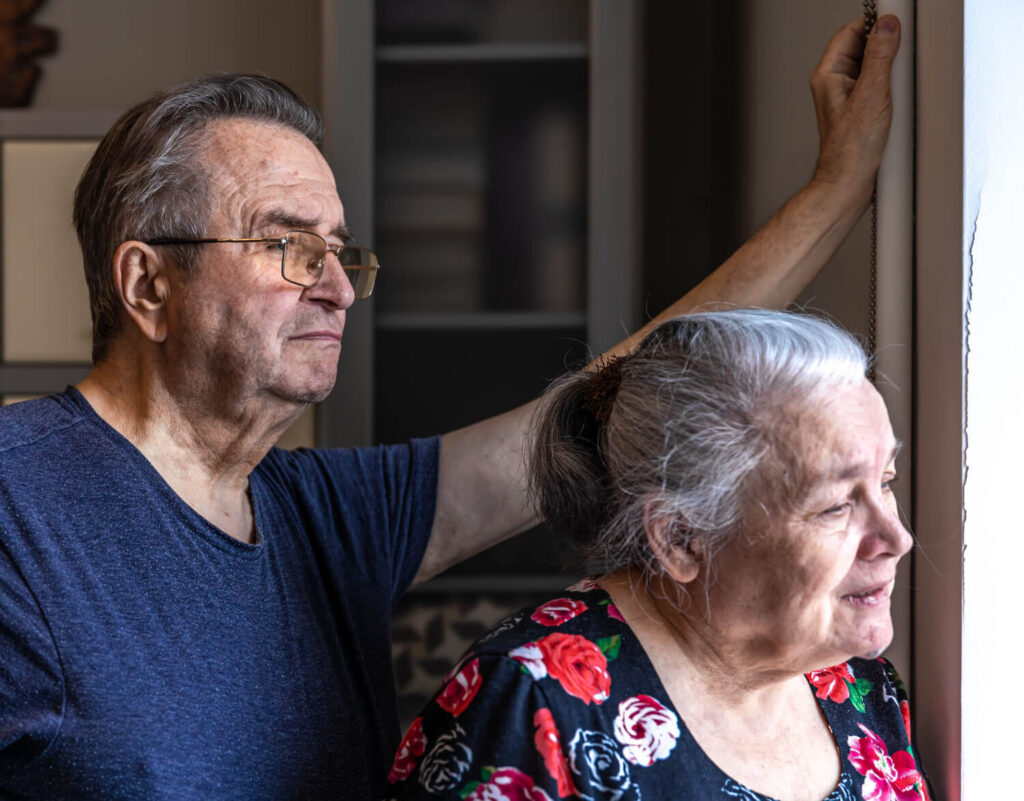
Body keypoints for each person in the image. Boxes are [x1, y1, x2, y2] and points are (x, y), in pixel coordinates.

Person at [0, 15, 901, 801]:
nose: (338, 290)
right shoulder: (17, 507)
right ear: (148, 284)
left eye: (340, 254)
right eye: (287, 246)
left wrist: (837, 189)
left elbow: (616, 390)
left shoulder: (325, 516)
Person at [384, 309, 928, 801]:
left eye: (885, 482)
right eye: (835, 506)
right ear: (681, 539)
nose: (896, 537)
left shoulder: (861, 687)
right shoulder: (535, 702)